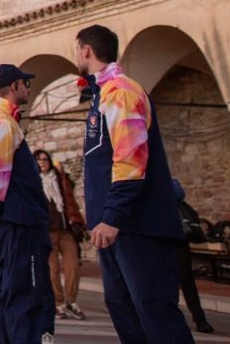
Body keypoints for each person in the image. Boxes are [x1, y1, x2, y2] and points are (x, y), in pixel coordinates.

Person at [74, 24, 193, 344]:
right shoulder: (102, 95)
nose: (77, 56)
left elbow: (131, 159)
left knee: (154, 310)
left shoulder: (121, 92)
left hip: (136, 225)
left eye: (77, 50)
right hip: (114, 230)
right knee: (122, 308)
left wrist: (112, 216)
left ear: (86, 50)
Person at [0, 63, 55, 344]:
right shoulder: (2, 122)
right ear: (15, 86)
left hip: (13, 219)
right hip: (19, 221)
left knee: (9, 289)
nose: (29, 88)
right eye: (25, 83)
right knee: (25, 292)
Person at [35, 148, 86, 321]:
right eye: (39, 160)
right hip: (46, 231)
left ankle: (71, 301)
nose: (42, 162)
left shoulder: (60, 179)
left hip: (65, 230)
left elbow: (70, 199)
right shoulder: (33, 182)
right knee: (52, 269)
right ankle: (59, 303)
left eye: (44, 159)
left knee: (73, 265)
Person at [171, 179, 215, 335]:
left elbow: (177, 193)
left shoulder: (167, 180)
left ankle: (200, 319)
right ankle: (172, 319)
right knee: (166, 283)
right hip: (156, 239)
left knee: (186, 279)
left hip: (176, 237)